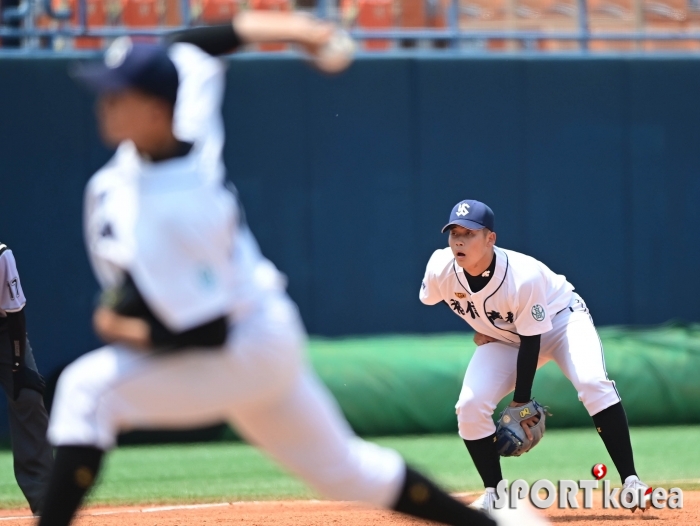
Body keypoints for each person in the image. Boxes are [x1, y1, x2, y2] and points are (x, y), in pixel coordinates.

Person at [37, 15, 547, 526]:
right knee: (346, 470)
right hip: (262, 325)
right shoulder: (184, 114)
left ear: (151, 111)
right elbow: (195, 42)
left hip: (237, 347)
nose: (103, 103)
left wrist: (117, 324)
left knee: (86, 391)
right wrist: (301, 28)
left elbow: (204, 332)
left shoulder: (178, 207)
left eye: (116, 96)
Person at [419, 199, 650, 513]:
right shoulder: (440, 267)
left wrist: (521, 401)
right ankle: (495, 494)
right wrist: (478, 322)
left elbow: (532, 341)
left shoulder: (521, 276)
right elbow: (444, 297)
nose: (459, 240)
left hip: (560, 321)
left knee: (592, 382)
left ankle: (631, 481)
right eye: (453, 232)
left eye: (470, 233)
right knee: (470, 406)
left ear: (491, 239)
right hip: (505, 335)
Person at [0, 242, 54, 515]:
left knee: (28, 395)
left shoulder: (0, 254)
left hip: (4, 332)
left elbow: (15, 312)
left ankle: (45, 501)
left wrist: (20, 366)